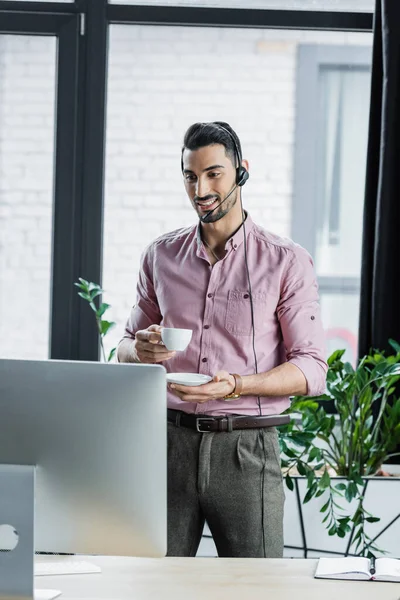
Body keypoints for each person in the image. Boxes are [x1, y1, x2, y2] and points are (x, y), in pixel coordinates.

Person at [117, 121, 327, 558]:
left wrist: (237, 384)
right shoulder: (161, 256)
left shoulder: (286, 262)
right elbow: (122, 348)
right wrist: (141, 349)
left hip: (246, 451)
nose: (201, 189)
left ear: (241, 172)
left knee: (256, 588)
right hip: (167, 445)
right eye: (190, 177)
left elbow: (311, 367)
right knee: (156, 586)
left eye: (213, 174)